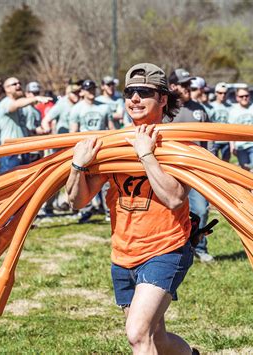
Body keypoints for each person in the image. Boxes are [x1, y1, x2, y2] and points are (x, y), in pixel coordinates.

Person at [66, 62, 195, 354]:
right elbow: (77, 201)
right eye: (129, 92)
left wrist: (147, 155)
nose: (134, 98)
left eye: (144, 92)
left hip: (166, 248)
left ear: (163, 99)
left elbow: (175, 197)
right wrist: (77, 166)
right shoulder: (114, 144)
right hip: (123, 252)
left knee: (137, 334)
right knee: (156, 338)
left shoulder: (179, 142)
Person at [169, 68, 213, 263]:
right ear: (172, 87)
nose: (189, 88)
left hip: (197, 170)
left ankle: (199, 247)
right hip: (172, 171)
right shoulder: (166, 112)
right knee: (173, 212)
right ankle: (175, 249)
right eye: (184, 84)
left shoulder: (199, 110)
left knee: (202, 210)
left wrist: (210, 163)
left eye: (190, 84)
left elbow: (209, 137)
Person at [70, 79, 114, 223]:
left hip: (102, 148)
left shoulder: (105, 107)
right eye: (88, 90)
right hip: (85, 149)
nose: (91, 92)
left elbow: (111, 128)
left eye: (93, 89)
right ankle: (85, 211)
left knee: (106, 180)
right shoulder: (77, 108)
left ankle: (108, 210)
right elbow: (73, 132)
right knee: (83, 179)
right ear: (82, 91)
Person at [41, 83, 82, 214]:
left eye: (78, 92)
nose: (77, 95)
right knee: (56, 177)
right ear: (68, 93)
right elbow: (46, 119)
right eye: (74, 93)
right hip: (60, 147)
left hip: (74, 146)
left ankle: (72, 204)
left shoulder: (80, 104)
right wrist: (46, 128)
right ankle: (49, 205)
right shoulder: (61, 105)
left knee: (74, 176)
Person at [0, 77, 52, 173]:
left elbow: (25, 126)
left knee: (24, 183)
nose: (18, 85)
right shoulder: (5, 103)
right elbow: (15, 105)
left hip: (24, 149)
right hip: (10, 150)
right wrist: (35, 98)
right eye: (14, 84)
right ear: (7, 89)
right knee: (9, 183)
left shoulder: (24, 107)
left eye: (19, 83)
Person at [229, 87, 253, 177]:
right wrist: (232, 146)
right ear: (237, 97)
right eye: (241, 96)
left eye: (246, 95)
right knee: (245, 172)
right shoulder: (233, 111)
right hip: (241, 146)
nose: (244, 98)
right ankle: (247, 191)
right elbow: (231, 130)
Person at [209, 82, 232, 162]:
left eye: (225, 93)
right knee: (214, 162)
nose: (223, 95)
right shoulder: (211, 106)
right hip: (214, 139)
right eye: (220, 93)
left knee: (226, 162)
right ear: (216, 93)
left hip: (226, 139)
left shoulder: (231, 107)